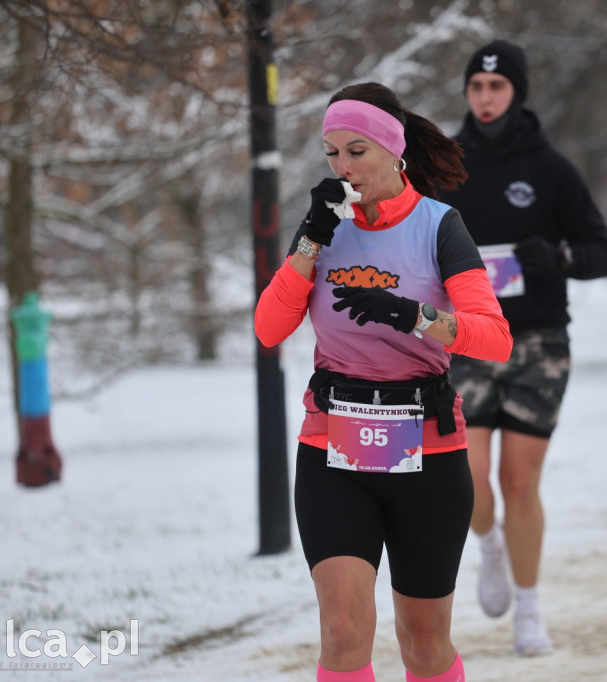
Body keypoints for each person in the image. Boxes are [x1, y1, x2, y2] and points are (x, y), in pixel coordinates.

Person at [255, 82, 512, 682]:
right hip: (334, 449)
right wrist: (309, 242)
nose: (343, 167)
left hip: (428, 450)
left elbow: (493, 336)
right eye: (331, 154)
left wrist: (414, 316)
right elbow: (269, 329)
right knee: (343, 634)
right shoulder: (322, 228)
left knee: (423, 645)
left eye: (357, 151)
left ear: (394, 153)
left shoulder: (439, 226)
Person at [437, 40, 607, 656]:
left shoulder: (551, 169)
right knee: (466, 476)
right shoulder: (442, 169)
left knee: (520, 481)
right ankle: (487, 547)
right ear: (467, 94)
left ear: (517, 92)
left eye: (497, 88)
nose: (485, 98)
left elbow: (605, 253)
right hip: (463, 340)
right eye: (476, 88)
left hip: (538, 339)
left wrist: (559, 259)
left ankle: (530, 609)